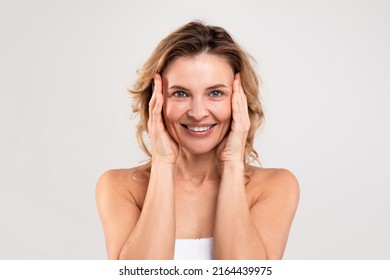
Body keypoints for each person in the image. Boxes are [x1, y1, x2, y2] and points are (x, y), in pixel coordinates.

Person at [95, 21, 299, 260]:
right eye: (180, 94)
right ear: (156, 100)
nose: (198, 112)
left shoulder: (273, 187)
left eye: (215, 93)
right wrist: (163, 162)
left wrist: (232, 162)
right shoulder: (120, 187)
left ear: (240, 100)